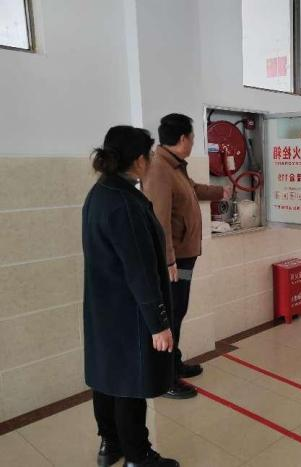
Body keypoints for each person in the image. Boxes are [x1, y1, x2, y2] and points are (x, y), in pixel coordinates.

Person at [83, 126, 179, 467]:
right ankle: (138, 457)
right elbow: (139, 270)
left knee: (107, 378)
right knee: (130, 383)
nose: (151, 161)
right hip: (129, 311)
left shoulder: (101, 193)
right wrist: (159, 324)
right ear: (139, 160)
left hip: (104, 309)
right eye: (149, 155)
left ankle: (110, 445)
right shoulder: (124, 203)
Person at [143, 113, 231, 398]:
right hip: (174, 261)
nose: (193, 143)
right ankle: (166, 378)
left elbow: (192, 190)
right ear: (183, 138)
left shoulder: (175, 167)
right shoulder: (159, 169)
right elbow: (160, 221)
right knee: (171, 314)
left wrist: (220, 192)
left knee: (178, 311)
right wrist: (168, 259)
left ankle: (174, 362)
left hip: (183, 256)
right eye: (192, 138)